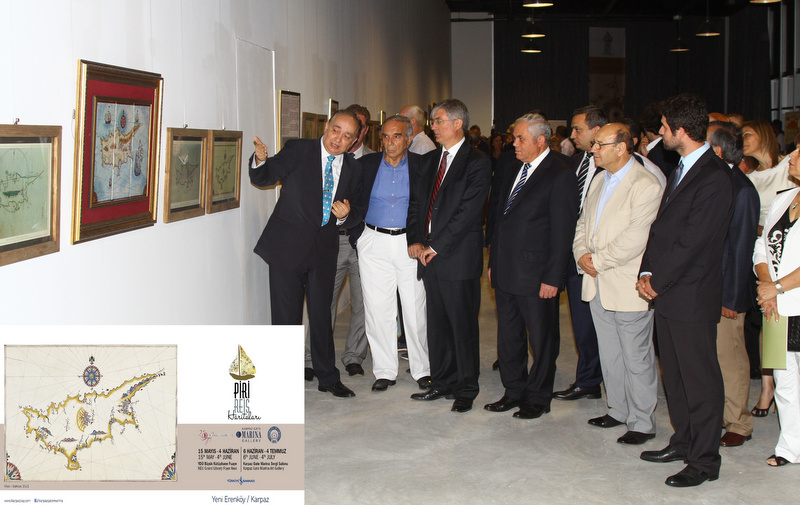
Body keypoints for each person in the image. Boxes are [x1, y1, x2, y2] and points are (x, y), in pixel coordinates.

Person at [636, 93, 733, 487]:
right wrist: (646, 269)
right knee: (674, 377)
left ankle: (705, 461)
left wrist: (657, 280)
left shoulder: (714, 176)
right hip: (669, 293)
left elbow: (695, 242)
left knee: (700, 381)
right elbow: (662, 229)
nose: (659, 133)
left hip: (691, 295)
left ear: (680, 131)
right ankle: (684, 440)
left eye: (663, 127)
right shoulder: (682, 166)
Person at [249, 109, 363, 398]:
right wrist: (261, 160)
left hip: (324, 250)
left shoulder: (352, 168)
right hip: (287, 248)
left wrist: (344, 216)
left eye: (347, 136)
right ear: (326, 126)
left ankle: (327, 377)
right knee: (285, 317)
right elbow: (267, 175)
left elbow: (355, 214)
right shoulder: (299, 149)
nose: (339, 139)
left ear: (353, 142)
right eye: (336, 130)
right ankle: (283, 380)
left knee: (322, 316)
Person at [483, 113, 577, 420]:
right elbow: (499, 218)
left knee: (541, 339)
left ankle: (539, 396)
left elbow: (563, 232)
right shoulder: (511, 167)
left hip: (538, 276)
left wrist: (553, 277)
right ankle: (514, 390)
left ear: (541, 140)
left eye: (521, 138)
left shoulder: (560, 173)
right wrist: (493, 261)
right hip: (506, 269)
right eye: (514, 137)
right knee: (508, 337)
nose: (514, 143)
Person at [574, 123, 662, 443]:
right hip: (596, 281)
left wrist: (596, 261)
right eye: (594, 144)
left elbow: (636, 238)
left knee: (636, 357)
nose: (593, 149)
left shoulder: (646, 184)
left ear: (622, 147)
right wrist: (581, 252)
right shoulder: (599, 179)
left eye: (599, 144)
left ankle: (642, 421)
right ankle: (619, 409)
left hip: (626, 285)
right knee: (610, 353)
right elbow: (583, 223)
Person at [407, 99, 491, 413]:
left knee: (462, 325)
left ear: (457, 123)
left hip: (456, 257)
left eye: (439, 121)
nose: (433, 126)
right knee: (437, 325)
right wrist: (415, 240)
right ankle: (441, 381)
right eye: (432, 121)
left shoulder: (477, 162)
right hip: (428, 257)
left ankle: (466, 387)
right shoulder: (428, 161)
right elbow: (416, 206)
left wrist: (435, 245)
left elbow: (468, 213)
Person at [351, 115, 431, 392]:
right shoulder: (366, 165)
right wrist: (357, 235)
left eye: (396, 136)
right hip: (373, 241)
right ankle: (384, 370)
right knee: (377, 308)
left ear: (409, 138)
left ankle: (423, 369)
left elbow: (429, 208)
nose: (389, 142)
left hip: (410, 244)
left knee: (415, 307)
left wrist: (422, 239)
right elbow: (350, 198)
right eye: (385, 136)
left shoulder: (423, 166)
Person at [304, 104, 374, 383]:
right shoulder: (319, 156)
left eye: (352, 131)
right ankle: (312, 358)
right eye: (340, 130)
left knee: (363, 301)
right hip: (330, 242)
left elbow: (367, 203)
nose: (344, 137)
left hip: (362, 240)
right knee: (322, 302)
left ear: (362, 132)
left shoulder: (373, 160)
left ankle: (354, 357)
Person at [707, 121, 760, 447]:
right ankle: (719, 414)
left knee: (731, 357)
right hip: (705, 286)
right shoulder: (715, 181)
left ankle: (739, 423)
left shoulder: (740, 190)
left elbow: (741, 249)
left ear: (716, 150)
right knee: (712, 357)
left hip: (727, 290)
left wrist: (731, 298)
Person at [552, 105, 607, 402]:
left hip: (602, 258)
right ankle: (588, 380)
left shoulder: (615, 165)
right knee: (582, 324)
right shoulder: (575, 162)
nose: (572, 135)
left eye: (578, 129)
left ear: (597, 131)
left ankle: (605, 380)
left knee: (607, 325)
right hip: (575, 254)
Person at [744, 119, 794, 417]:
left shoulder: (790, 167)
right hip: (762, 255)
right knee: (767, 320)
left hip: (790, 255)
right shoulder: (750, 177)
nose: (743, 139)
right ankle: (767, 388)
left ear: (763, 135)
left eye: (748, 134)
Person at [754, 145, 800, 467]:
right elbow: (762, 246)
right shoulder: (785, 197)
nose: (791, 158)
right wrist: (766, 284)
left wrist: (777, 286)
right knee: (784, 380)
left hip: (788, 295)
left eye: (798, 154)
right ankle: (790, 447)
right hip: (777, 304)